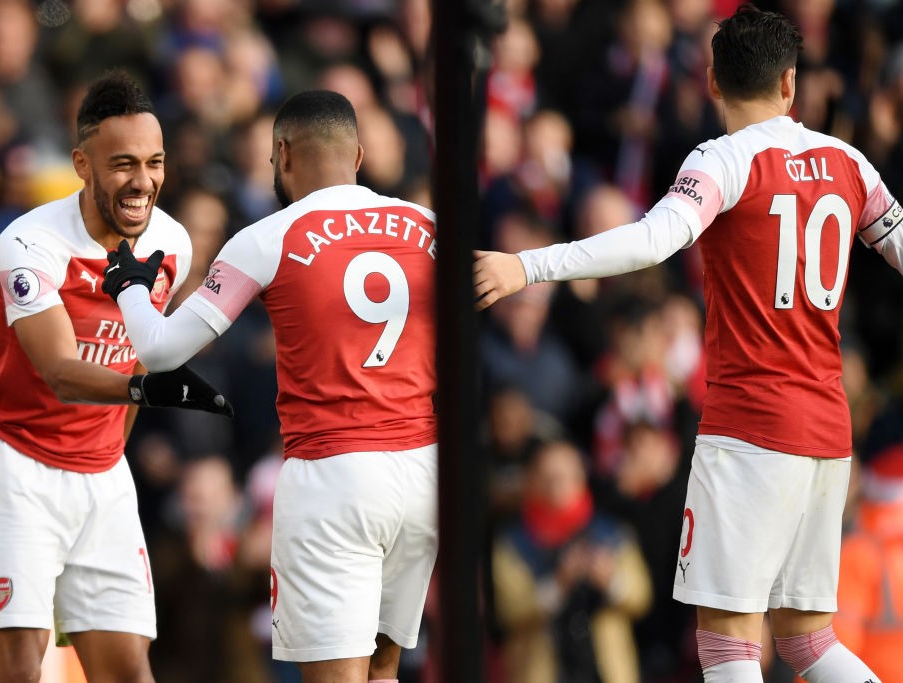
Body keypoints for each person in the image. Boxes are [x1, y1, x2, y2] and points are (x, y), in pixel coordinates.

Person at [474, 5, 894, 683]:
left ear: (711, 82)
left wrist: (529, 264)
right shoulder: (851, 163)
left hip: (752, 426)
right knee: (809, 642)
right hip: (827, 425)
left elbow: (650, 241)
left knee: (728, 644)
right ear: (790, 85)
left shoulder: (722, 160)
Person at [103, 89, 438, 683]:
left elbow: (158, 350)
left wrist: (129, 286)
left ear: (281, 154)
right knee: (385, 670)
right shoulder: (424, 223)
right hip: (424, 473)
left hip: (335, 477)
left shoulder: (267, 237)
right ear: (358, 156)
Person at [0, 71, 231, 683]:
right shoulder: (29, 243)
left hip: (102, 477)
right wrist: (147, 389)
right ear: (83, 164)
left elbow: (139, 350)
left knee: (129, 672)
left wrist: (113, 439)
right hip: (15, 467)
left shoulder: (173, 243)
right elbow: (60, 370)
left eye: (155, 163)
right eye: (124, 164)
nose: (143, 182)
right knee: (18, 665)